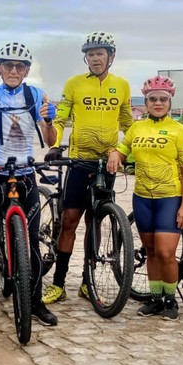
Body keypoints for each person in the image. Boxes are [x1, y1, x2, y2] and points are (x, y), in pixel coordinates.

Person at [0, 42, 60, 327]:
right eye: (8, 65)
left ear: (27, 70)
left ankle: (36, 301)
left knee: (30, 243)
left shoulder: (36, 94)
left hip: (25, 173)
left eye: (19, 66)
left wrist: (49, 122)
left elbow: (50, 139)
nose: (13, 71)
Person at [42, 31, 133, 305]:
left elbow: (129, 124)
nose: (95, 59)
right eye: (91, 55)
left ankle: (87, 280)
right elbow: (60, 118)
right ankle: (58, 283)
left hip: (107, 164)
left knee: (94, 223)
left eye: (100, 54)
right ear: (86, 58)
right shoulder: (74, 84)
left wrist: (128, 150)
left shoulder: (122, 85)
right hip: (79, 161)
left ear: (111, 57)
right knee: (70, 220)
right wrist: (55, 144)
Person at [108, 76, 183, 320]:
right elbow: (123, 151)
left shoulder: (180, 131)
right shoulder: (137, 128)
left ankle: (171, 299)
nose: (158, 103)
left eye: (163, 99)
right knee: (151, 251)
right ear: (145, 102)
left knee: (166, 252)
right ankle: (156, 298)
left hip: (170, 197)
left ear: (170, 101)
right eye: (153, 99)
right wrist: (115, 153)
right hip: (143, 197)